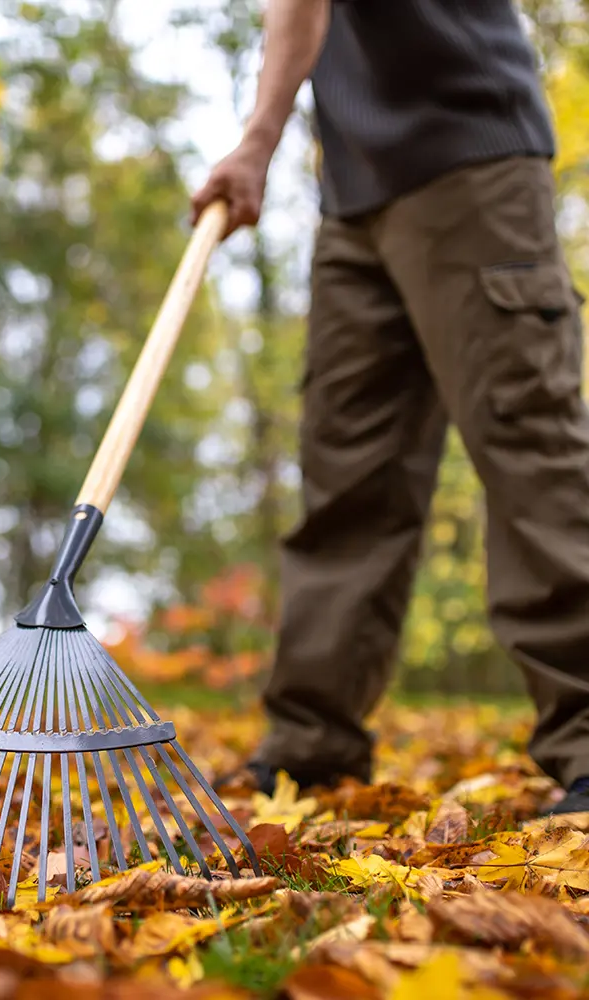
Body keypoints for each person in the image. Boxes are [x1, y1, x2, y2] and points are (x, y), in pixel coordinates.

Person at [191, 0, 589, 814]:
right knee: (348, 473)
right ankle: (312, 746)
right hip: (354, 196)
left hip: (471, 154)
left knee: (526, 443)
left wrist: (258, 139)